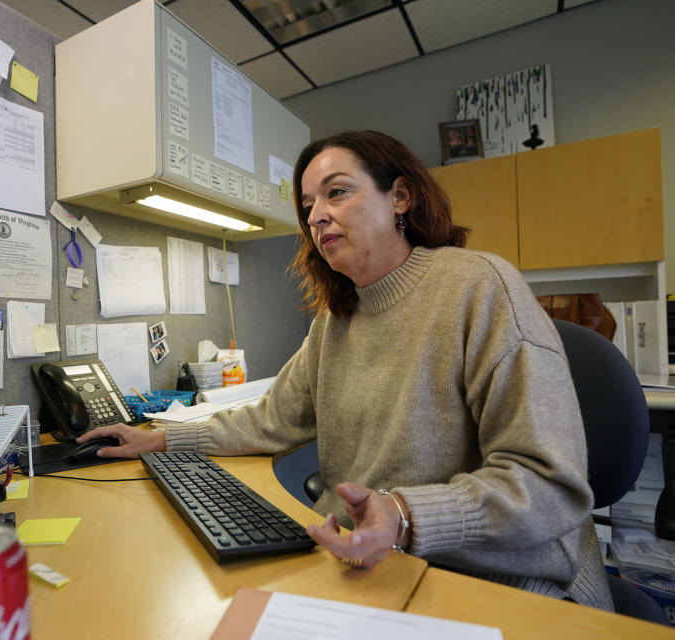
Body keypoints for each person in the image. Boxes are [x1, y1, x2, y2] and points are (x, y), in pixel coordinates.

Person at [76, 130, 613, 611]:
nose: (315, 216)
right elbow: (270, 420)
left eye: (337, 192)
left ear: (399, 197)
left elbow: (550, 485)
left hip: (506, 583)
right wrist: (162, 436)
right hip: (381, 565)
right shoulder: (336, 319)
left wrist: (404, 515)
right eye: (308, 205)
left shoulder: (479, 286)